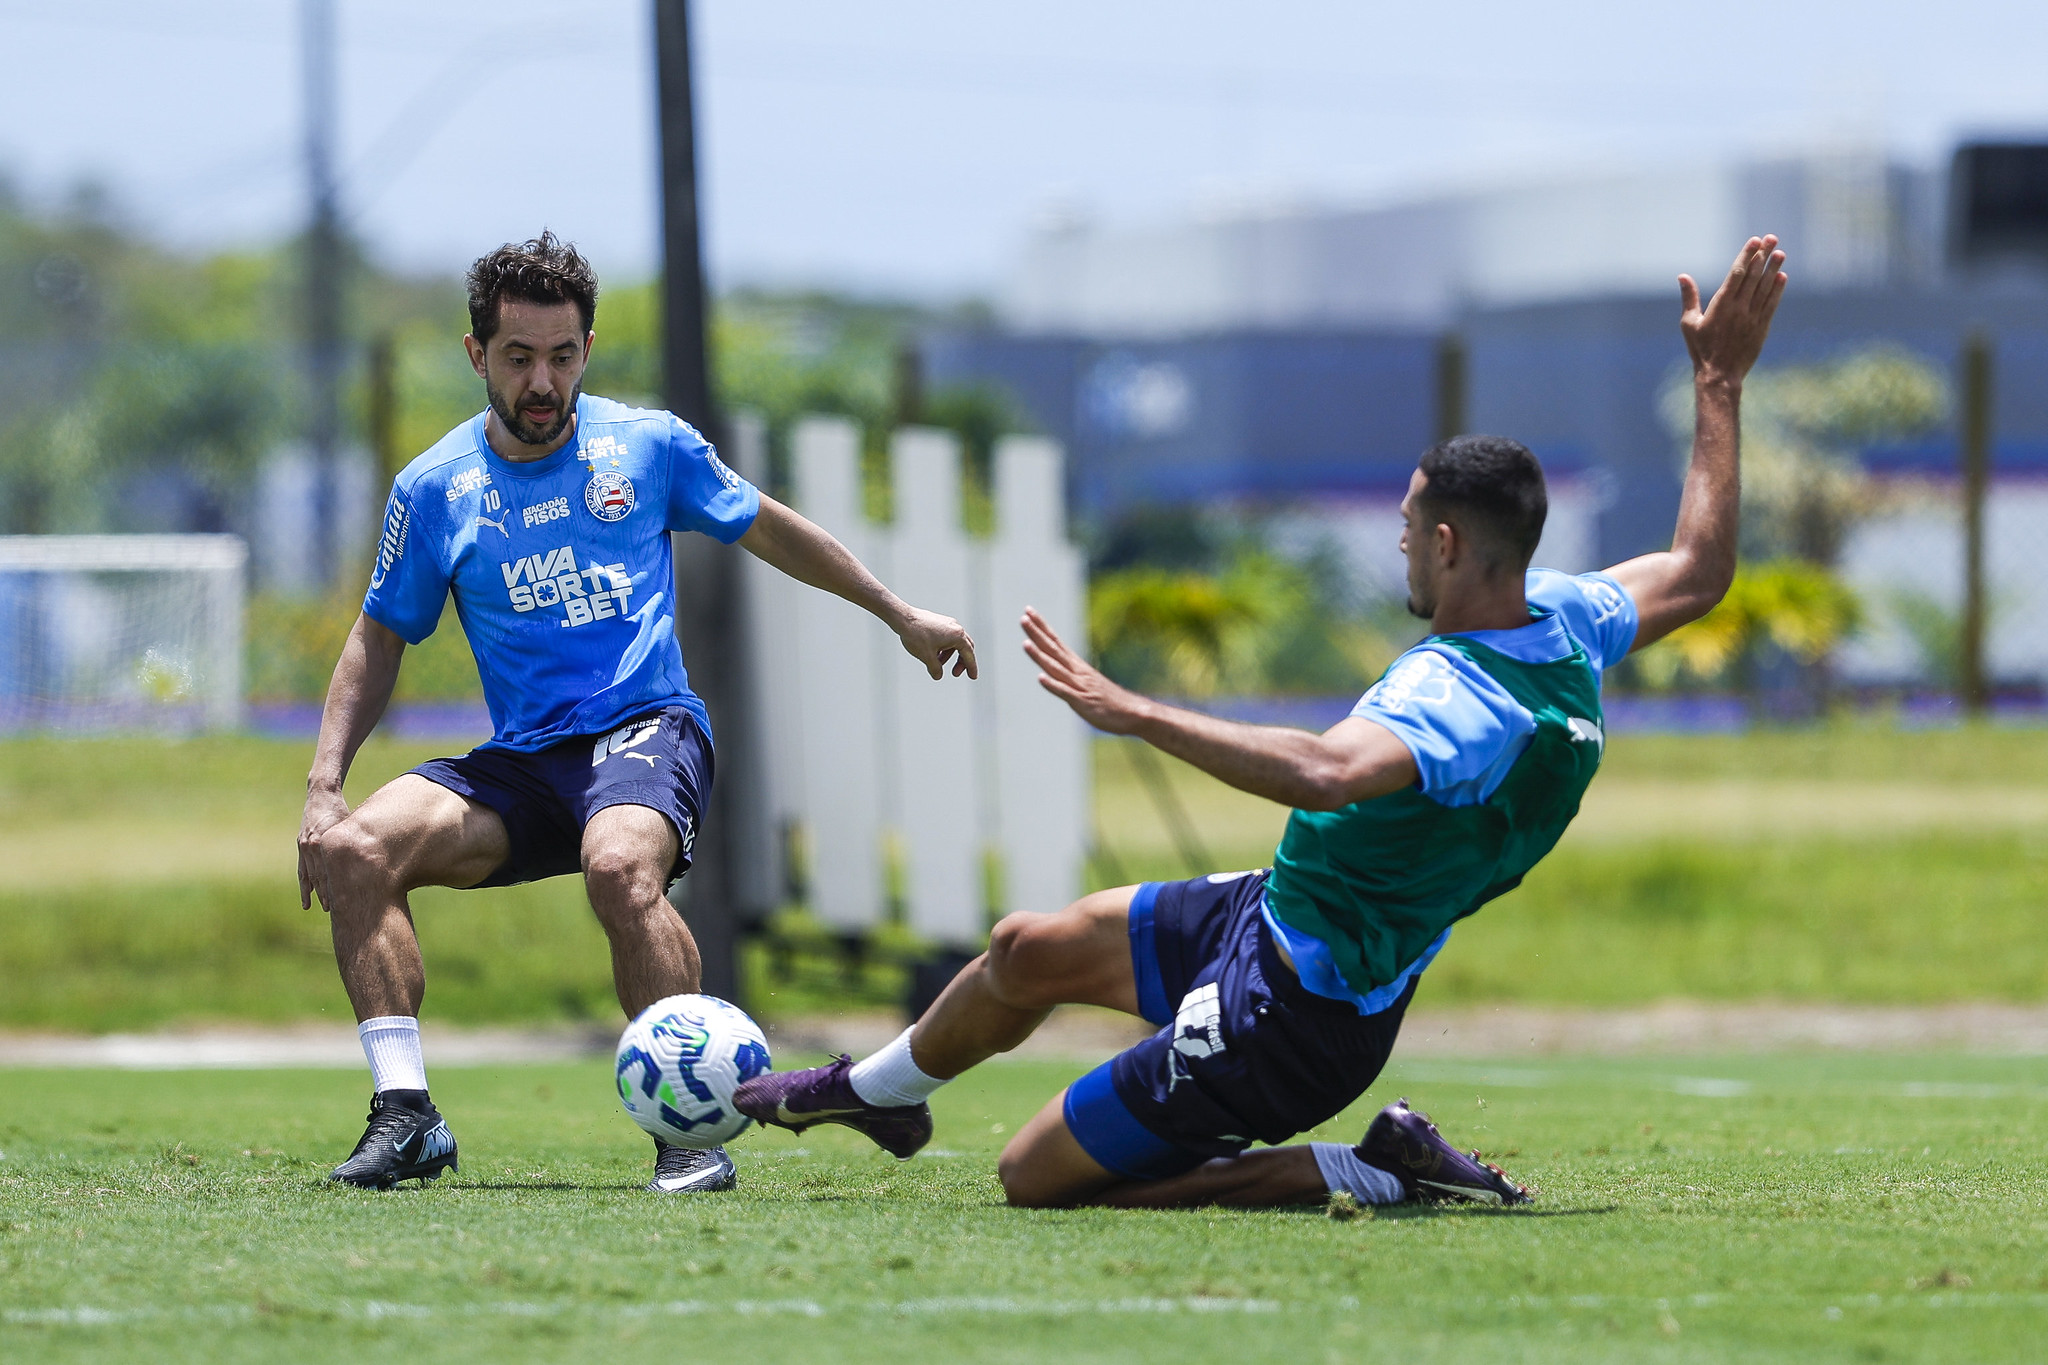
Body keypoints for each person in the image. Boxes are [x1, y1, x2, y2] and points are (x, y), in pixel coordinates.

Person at [736, 235, 1788, 1210]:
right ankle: (876, 1092)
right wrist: (1717, 383)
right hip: (1272, 914)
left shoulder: (1463, 704)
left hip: (1289, 1018)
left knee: (1031, 1178)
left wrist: (1134, 711)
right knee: (1026, 947)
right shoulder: (1565, 621)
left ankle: (1359, 1168)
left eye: (1410, 530)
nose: (1399, 549)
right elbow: (1696, 569)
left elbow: (1325, 773)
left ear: (1454, 544)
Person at [297, 233, 976, 1193]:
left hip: (645, 727)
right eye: (519, 357)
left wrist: (901, 613)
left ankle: (691, 1133)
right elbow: (378, 639)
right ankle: (406, 1115)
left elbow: (774, 528)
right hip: (526, 762)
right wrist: (324, 787)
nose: (543, 381)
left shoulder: (647, 445)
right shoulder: (434, 488)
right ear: (475, 353)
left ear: (588, 349)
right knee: (356, 850)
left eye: (563, 356)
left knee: (619, 864)